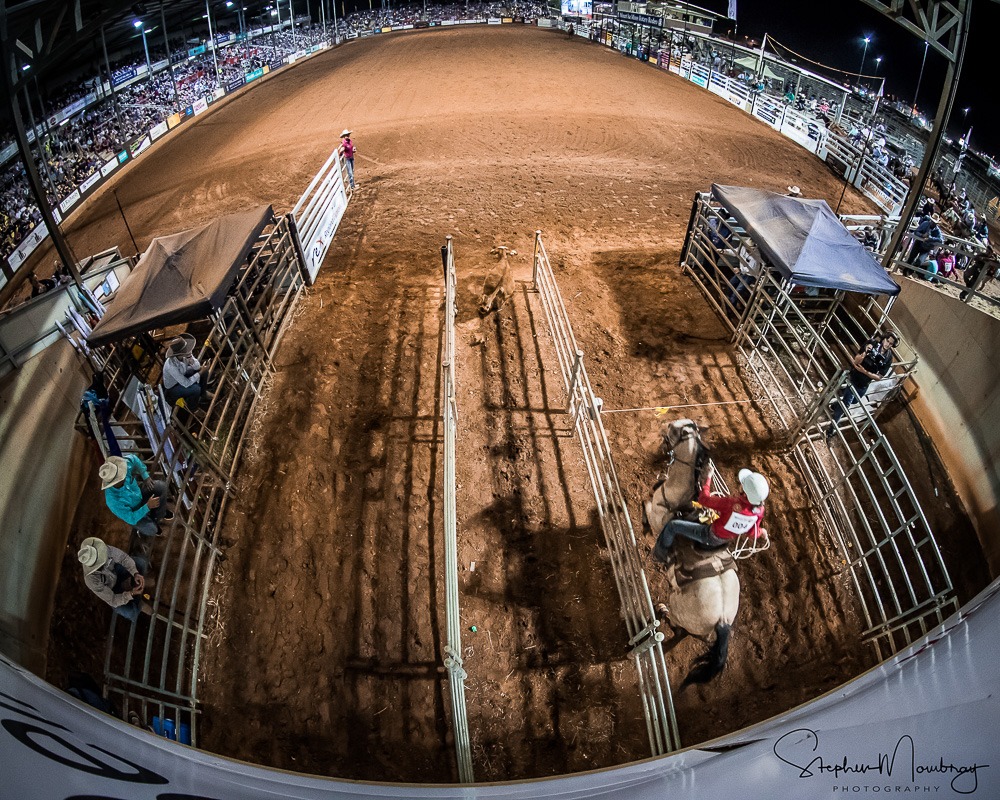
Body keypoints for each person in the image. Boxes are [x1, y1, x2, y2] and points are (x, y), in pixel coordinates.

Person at [653, 466, 768, 560]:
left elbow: (703, 500)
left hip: (710, 536)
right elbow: (752, 532)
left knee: (673, 526)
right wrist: (761, 531)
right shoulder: (759, 511)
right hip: (726, 539)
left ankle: (660, 553)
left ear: (745, 491)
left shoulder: (731, 503)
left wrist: (708, 478)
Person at [827, 331, 898, 432]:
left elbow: (879, 377)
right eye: (887, 341)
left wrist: (865, 372)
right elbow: (856, 361)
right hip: (855, 377)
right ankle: (831, 430)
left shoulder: (888, 358)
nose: (887, 344)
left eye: (891, 344)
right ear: (884, 338)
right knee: (846, 405)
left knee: (855, 400)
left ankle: (834, 405)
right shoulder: (872, 343)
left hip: (864, 383)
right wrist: (865, 352)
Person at [78, 537, 155, 621]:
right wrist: (131, 594)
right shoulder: (91, 580)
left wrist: (135, 573)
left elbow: (123, 558)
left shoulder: (102, 549)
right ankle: (138, 603)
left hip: (116, 571)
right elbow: (113, 600)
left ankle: (137, 581)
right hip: (111, 590)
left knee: (140, 563)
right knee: (131, 613)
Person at [99, 454, 172, 537]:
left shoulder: (122, 467)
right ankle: (152, 524)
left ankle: (160, 514)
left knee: (161, 487)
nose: (124, 472)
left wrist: (145, 476)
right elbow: (131, 518)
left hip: (140, 494)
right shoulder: (113, 501)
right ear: (114, 483)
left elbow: (133, 459)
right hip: (134, 512)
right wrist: (147, 507)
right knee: (152, 529)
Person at [162, 334, 210, 407]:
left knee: (204, 371)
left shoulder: (186, 353)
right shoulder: (171, 367)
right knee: (196, 389)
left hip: (182, 374)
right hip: (173, 387)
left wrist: (191, 359)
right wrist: (200, 373)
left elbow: (197, 367)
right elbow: (186, 383)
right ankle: (193, 407)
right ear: (180, 354)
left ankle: (203, 394)